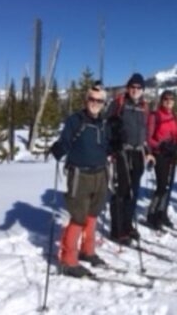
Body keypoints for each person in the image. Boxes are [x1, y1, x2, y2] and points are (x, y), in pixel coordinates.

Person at [50, 84, 110, 278]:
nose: (95, 103)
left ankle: (88, 251)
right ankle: (68, 260)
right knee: (78, 216)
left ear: (103, 103)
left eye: (99, 100)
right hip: (79, 174)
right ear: (86, 100)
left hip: (100, 173)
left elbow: (108, 146)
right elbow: (65, 140)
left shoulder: (104, 123)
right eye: (92, 99)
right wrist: (59, 148)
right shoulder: (75, 120)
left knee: (93, 213)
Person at [106, 73, 154, 245]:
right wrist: (112, 148)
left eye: (138, 88)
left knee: (133, 191)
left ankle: (127, 225)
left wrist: (148, 151)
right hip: (122, 152)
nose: (135, 90)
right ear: (128, 88)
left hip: (138, 152)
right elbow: (107, 126)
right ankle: (117, 229)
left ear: (142, 90)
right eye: (132, 87)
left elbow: (146, 132)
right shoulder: (118, 103)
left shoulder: (145, 106)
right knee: (121, 191)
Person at [146, 90, 177, 230]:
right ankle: (152, 213)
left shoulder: (174, 115)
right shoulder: (155, 116)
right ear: (161, 101)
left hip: (171, 153)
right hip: (159, 154)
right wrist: (160, 145)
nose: (169, 102)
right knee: (162, 185)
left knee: (168, 185)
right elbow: (149, 138)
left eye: (171, 99)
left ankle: (162, 212)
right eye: (166, 99)